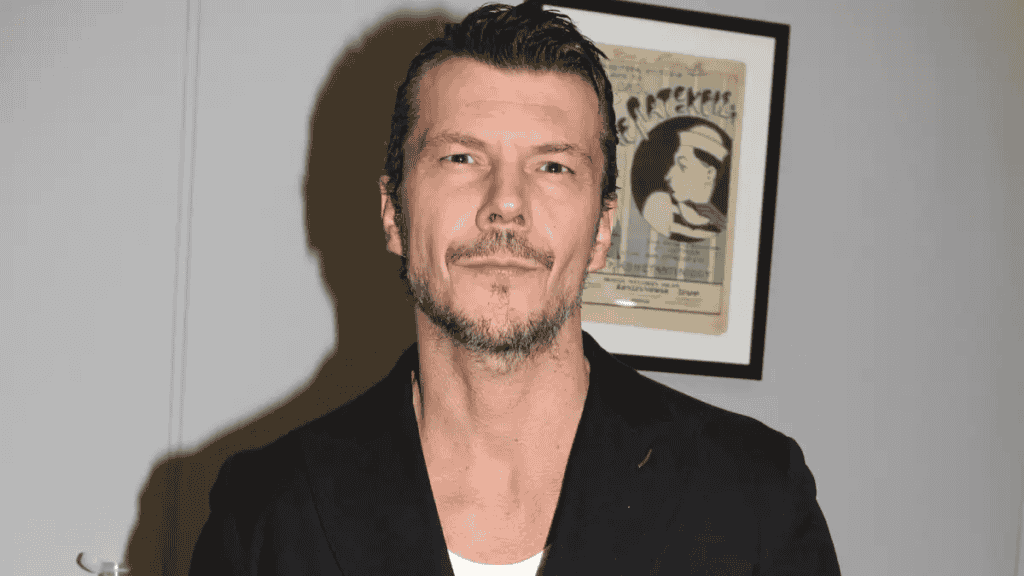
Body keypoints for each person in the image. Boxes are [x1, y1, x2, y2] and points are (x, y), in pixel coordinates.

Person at [189, 3, 841, 575]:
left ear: (602, 230)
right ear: (393, 213)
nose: (506, 203)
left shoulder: (754, 499)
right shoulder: (265, 513)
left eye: (553, 166)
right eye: (461, 157)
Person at [632, 117, 731, 242]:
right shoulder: (661, 207)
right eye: (675, 164)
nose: (668, 176)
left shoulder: (721, 224)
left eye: (683, 166)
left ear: (709, 174)